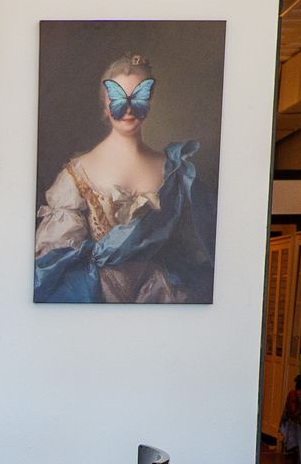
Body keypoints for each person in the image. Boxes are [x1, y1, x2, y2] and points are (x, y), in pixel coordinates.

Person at [34, 52, 216, 303]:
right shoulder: (76, 174)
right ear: (105, 103)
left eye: (139, 97)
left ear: (149, 101)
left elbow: (192, 249)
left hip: (163, 297)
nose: (129, 109)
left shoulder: (174, 170)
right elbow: (57, 258)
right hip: (98, 296)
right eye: (119, 98)